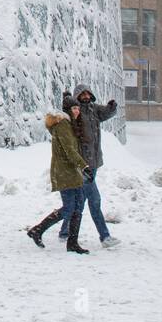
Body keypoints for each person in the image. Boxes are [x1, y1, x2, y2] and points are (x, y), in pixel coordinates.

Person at [58, 84, 120, 249]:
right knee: (94, 199)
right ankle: (105, 236)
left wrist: (112, 107)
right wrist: (66, 100)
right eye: (82, 94)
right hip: (83, 163)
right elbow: (65, 113)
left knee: (81, 200)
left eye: (87, 94)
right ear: (77, 97)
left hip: (93, 163)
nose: (85, 96)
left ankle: (64, 232)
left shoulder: (93, 110)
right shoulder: (75, 112)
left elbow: (106, 113)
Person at [25, 108, 92, 254]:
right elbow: (69, 150)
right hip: (64, 172)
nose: (77, 111)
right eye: (74, 108)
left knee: (78, 205)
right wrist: (84, 166)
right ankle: (38, 230)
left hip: (71, 171)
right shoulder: (63, 125)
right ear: (67, 110)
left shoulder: (69, 124)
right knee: (69, 207)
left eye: (78, 108)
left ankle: (72, 242)